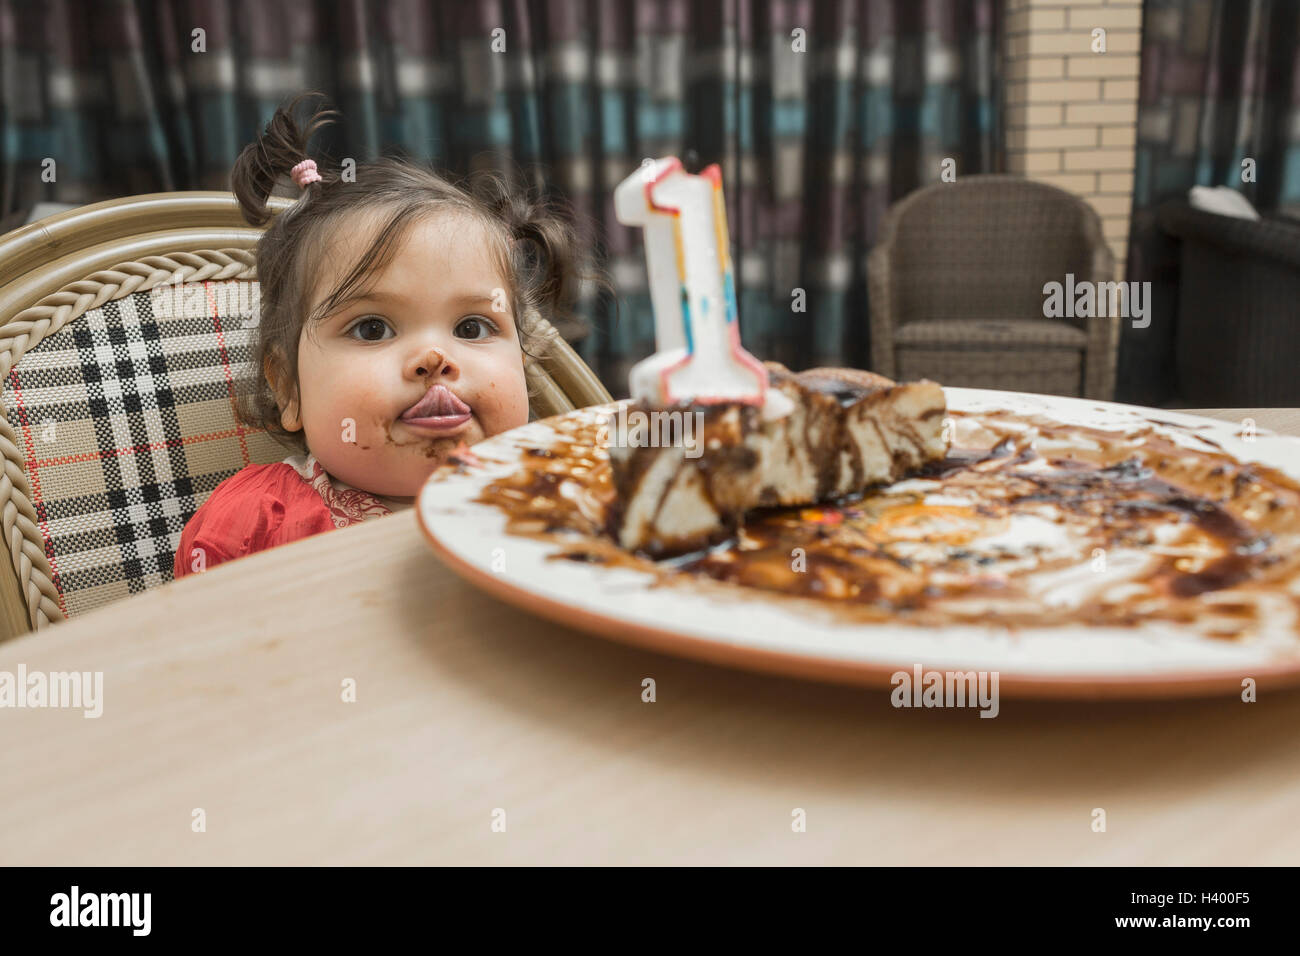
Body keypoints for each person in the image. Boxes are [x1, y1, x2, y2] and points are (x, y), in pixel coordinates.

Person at [174, 92, 580, 578]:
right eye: (372, 329)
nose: (434, 358)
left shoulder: (558, 492)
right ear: (287, 388)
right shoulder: (257, 526)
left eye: (471, 327)